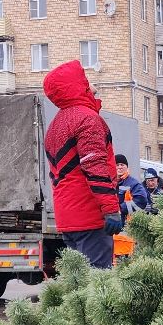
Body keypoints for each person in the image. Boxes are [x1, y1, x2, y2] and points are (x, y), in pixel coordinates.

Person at [42, 60, 123, 269]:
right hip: (90, 215)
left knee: (77, 280)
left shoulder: (56, 124)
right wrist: (111, 209)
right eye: (85, 81)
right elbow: (95, 167)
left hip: (67, 217)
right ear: (78, 86)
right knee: (98, 281)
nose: (92, 86)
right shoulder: (88, 120)